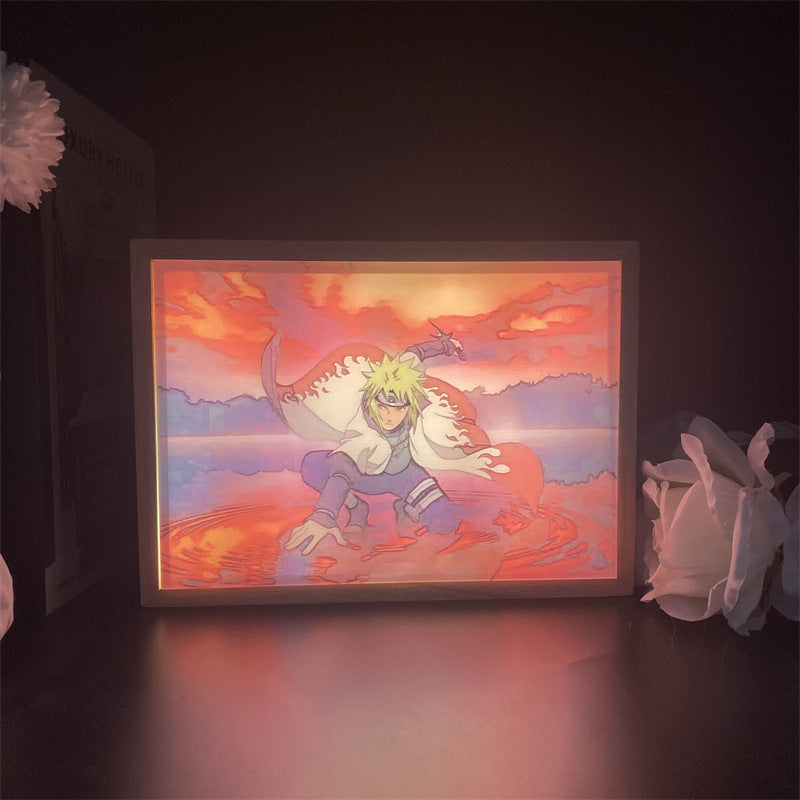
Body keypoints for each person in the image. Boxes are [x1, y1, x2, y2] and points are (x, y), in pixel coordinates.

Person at [261, 323, 543, 556]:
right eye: (382, 406)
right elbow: (343, 469)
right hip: (361, 478)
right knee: (313, 466)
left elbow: (417, 352)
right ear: (372, 400)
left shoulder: (416, 400)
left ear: (410, 404)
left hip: (405, 476)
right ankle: (356, 508)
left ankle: (405, 506)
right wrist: (324, 515)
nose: (389, 415)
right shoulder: (364, 430)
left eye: (397, 408)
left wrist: (448, 345)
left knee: (444, 523)